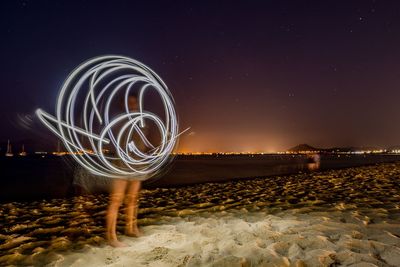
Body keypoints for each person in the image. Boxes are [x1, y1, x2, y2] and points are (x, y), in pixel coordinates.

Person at [106, 93, 151, 247]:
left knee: (133, 198)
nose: (132, 106)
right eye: (129, 103)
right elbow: (118, 142)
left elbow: (142, 144)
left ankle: (131, 228)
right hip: (122, 164)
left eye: (134, 103)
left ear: (138, 104)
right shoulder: (120, 121)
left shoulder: (142, 121)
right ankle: (111, 237)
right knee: (116, 200)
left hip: (138, 164)